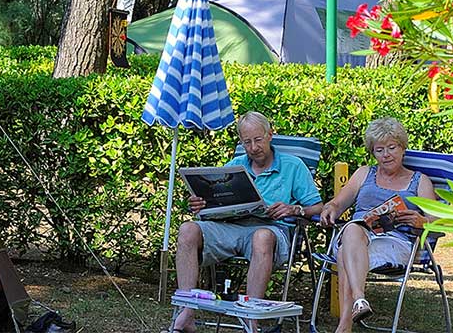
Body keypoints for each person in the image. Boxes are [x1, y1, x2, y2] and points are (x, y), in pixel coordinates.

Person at [172, 111, 324, 332]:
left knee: (261, 236)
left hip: (271, 232)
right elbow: (219, 202)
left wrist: (294, 208)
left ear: (270, 134)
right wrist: (202, 204)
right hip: (232, 227)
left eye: (258, 140)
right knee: (188, 230)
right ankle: (187, 313)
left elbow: (319, 208)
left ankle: (251, 322)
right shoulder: (236, 164)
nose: (253, 147)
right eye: (247, 142)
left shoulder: (293, 165)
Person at [319, 117, 436, 333]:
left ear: (403, 148)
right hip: (358, 236)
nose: (386, 154)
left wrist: (422, 221)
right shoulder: (364, 173)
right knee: (353, 228)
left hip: (396, 242)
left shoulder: (420, 181)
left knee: (346, 250)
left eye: (392, 147)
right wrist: (330, 209)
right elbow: (338, 203)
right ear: (373, 152)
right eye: (379, 150)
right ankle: (359, 300)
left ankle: (345, 324)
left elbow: (438, 221)